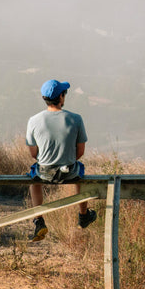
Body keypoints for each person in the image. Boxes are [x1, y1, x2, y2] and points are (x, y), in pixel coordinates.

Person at [26, 79, 97, 241]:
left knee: (33, 181)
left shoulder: (33, 120)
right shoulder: (76, 119)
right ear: (61, 97)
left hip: (44, 172)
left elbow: (33, 153)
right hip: (70, 171)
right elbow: (80, 152)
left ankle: (39, 220)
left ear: (44, 98)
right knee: (80, 174)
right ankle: (83, 215)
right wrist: (67, 158)